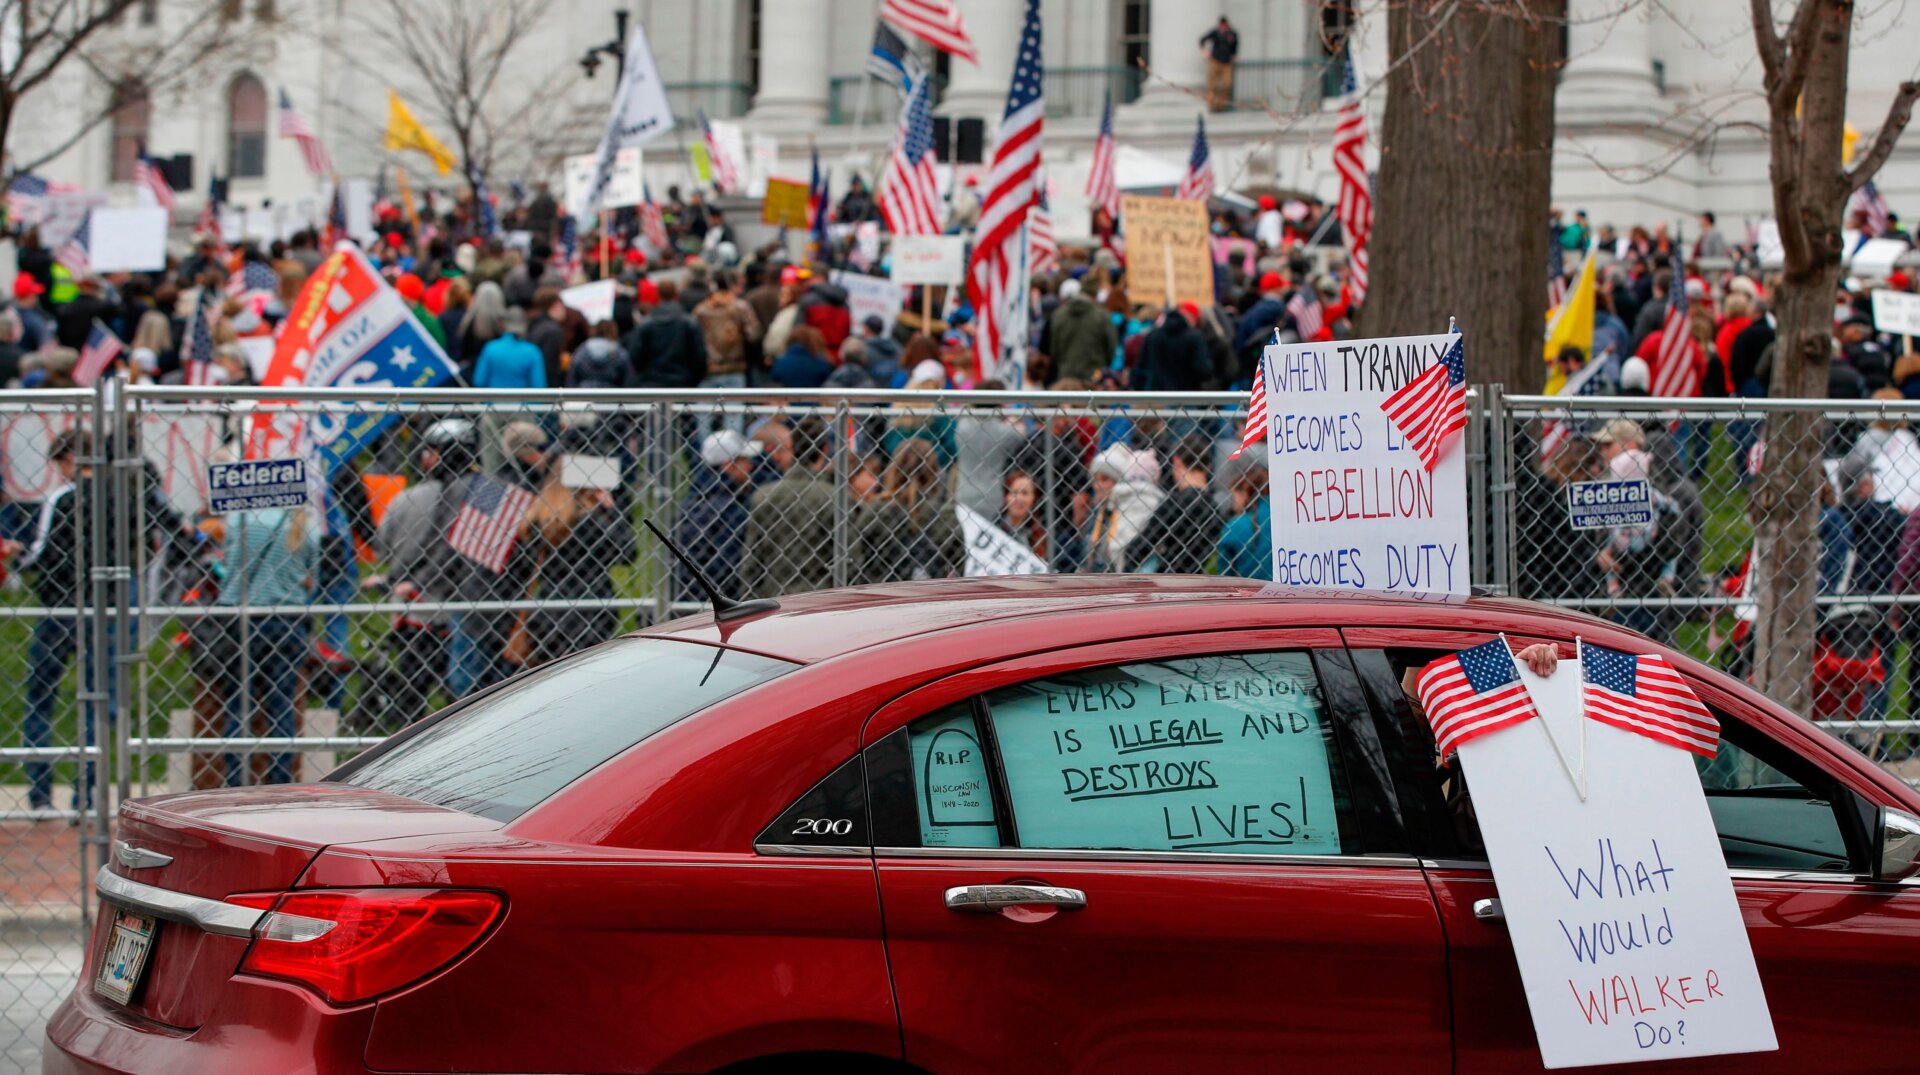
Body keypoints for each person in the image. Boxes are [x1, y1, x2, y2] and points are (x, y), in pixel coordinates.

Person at [218, 504, 319, 786]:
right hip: (286, 621)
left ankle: (235, 781)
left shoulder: (238, 521)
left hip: (241, 619)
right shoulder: (303, 525)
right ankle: (279, 783)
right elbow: (314, 580)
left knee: (239, 704)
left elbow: (225, 565)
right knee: (282, 705)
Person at [740, 417, 837, 599]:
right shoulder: (834, 497)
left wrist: (747, 604)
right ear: (825, 450)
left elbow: (752, 560)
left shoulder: (764, 496)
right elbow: (850, 561)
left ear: (792, 448)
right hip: (823, 600)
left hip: (773, 598)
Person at [854, 438, 965, 583]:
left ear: (894, 468)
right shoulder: (944, 513)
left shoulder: (876, 510)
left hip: (882, 592)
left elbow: (857, 557)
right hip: (933, 594)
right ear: (933, 470)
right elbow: (960, 562)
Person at [674, 431, 760, 603]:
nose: (751, 466)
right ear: (728, 465)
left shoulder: (690, 502)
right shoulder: (733, 509)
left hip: (688, 600)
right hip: (723, 602)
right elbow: (730, 567)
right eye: (744, 461)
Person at [1126, 435, 1223, 574]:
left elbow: (1140, 547)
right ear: (1208, 466)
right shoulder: (1215, 506)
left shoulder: (1175, 503)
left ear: (1176, 461)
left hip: (1168, 579)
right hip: (1198, 577)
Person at [1085, 443, 1164, 572]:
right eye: (1095, 479)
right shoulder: (1098, 512)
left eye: (1104, 479)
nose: (1097, 485)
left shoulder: (1131, 509)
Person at [627, 279, 709, 388]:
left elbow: (635, 357)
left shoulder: (646, 324)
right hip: (683, 384)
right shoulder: (689, 323)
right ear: (676, 295)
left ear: (658, 295)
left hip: (652, 384)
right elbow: (700, 357)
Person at [694, 269, 762, 396]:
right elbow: (754, 334)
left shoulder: (701, 310)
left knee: (704, 412)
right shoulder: (740, 307)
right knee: (734, 411)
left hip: (710, 367)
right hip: (735, 365)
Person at [1043, 278, 1119, 384]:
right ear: (1095, 295)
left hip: (1066, 376)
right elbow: (1110, 347)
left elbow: (1055, 349)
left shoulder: (1059, 315)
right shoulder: (1102, 316)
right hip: (1094, 377)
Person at [1138, 302, 1214, 391]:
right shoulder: (1195, 337)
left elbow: (1141, 368)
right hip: (1186, 396)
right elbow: (1204, 370)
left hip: (1157, 397)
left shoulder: (1153, 335)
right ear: (1192, 318)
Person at [1217, 458, 1272, 580]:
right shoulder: (1284, 518)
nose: (1233, 504)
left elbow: (1225, 573)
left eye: (1234, 496)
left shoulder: (1235, 526)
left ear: (1245, 492)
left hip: (1249, 593)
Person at [472, 307, 547, 389]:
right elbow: (538, 385)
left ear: (504, 324)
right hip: (522, 401)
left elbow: (479, 380)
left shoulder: (491, 348)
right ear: (525, 324)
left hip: (494, 400)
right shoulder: (533, 351)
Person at [1199, 15, 1239, 111]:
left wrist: (1234, 55)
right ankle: (1211, 105)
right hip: (1215, 61)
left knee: (1226, 85)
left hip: (1226, 63)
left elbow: (1235, 47)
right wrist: (1204, 51)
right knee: (1212, 85)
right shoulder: (1215, 33)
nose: (1223, 27)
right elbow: (1202, 40)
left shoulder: (1232, 34)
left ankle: (1222, 106)